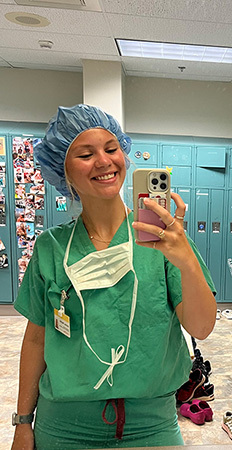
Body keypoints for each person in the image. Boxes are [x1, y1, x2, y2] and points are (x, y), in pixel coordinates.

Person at [11, 104, 217, 450]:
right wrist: (22, 423)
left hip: (152, 425)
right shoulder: (51, 248)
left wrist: (187, 263)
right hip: (64, 427)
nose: (104, 161)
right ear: (64, 171)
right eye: (85, 154)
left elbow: (201, 327)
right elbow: (35, 340)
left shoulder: (165, 239)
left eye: (111, 148)